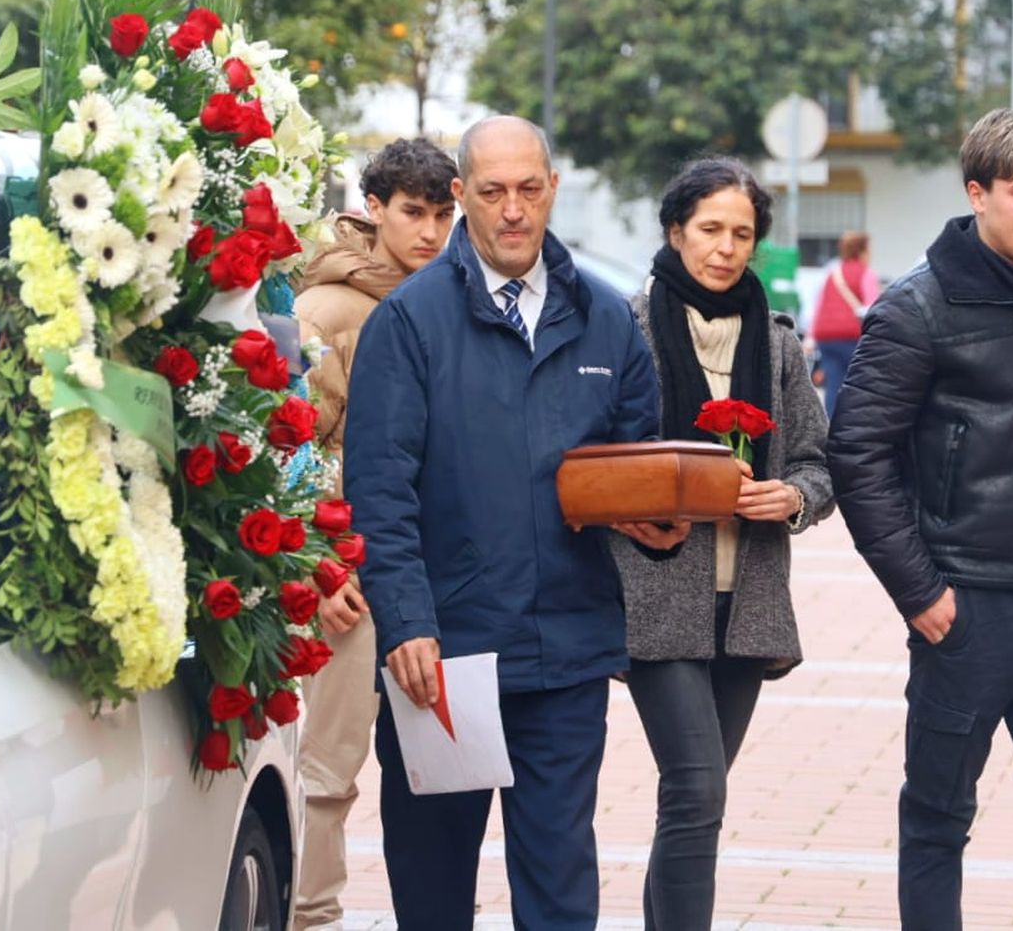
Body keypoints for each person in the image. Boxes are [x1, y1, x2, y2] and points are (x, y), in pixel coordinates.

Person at [343, 115, 672, 930]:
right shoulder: (408, 323)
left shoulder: (606, 319)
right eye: (493, 192)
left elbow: (633, 464)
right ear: (462, 195)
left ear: (554, 188)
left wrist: (657, 525)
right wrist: (407, 624)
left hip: (566, 656)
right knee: (434, 891)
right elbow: (379, 490)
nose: (514, 210)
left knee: (560, 891)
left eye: (529, 189)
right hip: (445, 660)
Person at [828, 108, 1013, 931]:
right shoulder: (917, 309)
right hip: (966, 606)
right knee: (937, 816)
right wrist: (920, 592)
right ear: (977, 192)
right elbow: (858, 454)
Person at [612, 158, 833, 931]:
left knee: (694, 799)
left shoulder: (776, 344)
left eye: (741, 233)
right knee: (697, 789)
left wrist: (793, 498)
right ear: (676, 231)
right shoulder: (629, 329)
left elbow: (817, 460)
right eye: (710, 229)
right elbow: (595, 455)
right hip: (657, 594)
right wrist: (662, 490)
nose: (725, 247)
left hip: (748, 602)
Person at [291, 137, 458, 931]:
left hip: (427, 574)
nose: (429, 231)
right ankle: (307, 915)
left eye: (442, 215)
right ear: (375, 208)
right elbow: (287, 452)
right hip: (349, 579)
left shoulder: (447, 300)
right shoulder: (328, 311)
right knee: (326, 769)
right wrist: (320, 568)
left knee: (441, 768)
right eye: (412, 212)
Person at [808, 231, 879, 416]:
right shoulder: (866, 273)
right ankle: (853, 423)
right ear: (862, 251)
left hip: (826, 337)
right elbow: (873, 308)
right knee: (859, 384)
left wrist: (811, 337)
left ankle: (831, 425)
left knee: (833, 385)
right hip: (851, 337)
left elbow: (819, 305)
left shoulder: (832, 274)